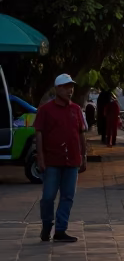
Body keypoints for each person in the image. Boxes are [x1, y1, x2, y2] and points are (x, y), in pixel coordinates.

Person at [33, 73, 87, 243]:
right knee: (48, 196)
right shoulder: (45, 110)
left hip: (72, 160)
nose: (69, 90)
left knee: (67, 196)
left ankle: (61, 230)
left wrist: (84, 156)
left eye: (71, 87)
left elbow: (80, 134)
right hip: (52, 161)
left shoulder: (76, 109)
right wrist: (40, 158)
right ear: (57, 89)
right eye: (65, 87)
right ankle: (47, 224)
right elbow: (39, 134)